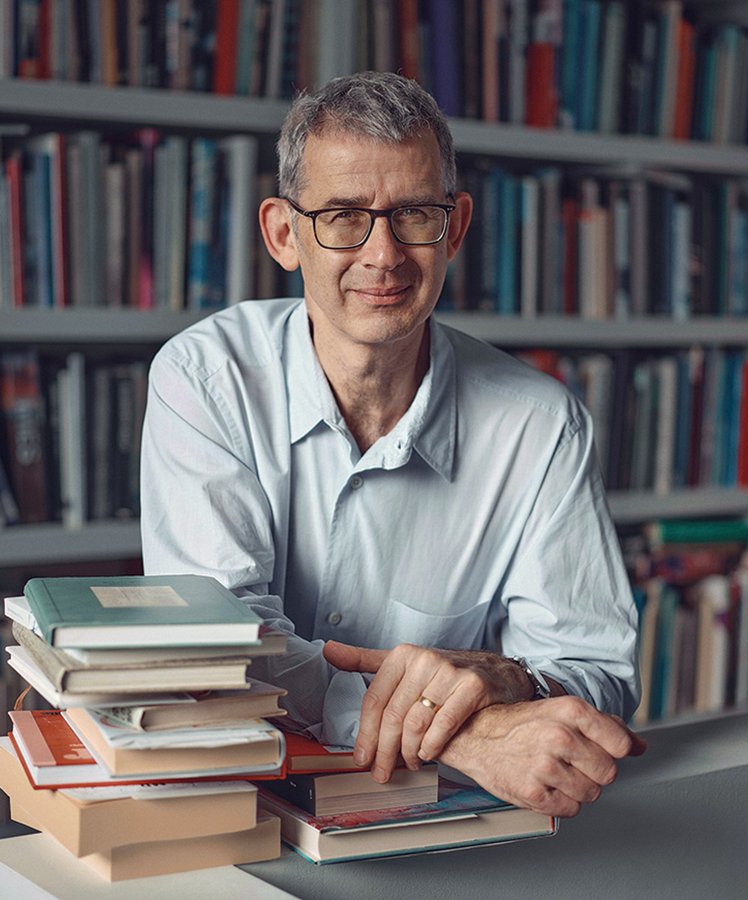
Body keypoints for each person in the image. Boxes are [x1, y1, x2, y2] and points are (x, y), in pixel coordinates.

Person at [140, 71, 645, 819]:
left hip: (440, 831)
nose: (383, 255)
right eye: (343, 216)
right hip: (232, 814)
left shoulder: (541, 424)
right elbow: (220, 648)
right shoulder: (205, 379)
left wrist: (513, 684)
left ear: (456, 227)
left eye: (413, 214)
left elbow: (596, 673)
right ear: (284, 233)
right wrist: (462, 736)